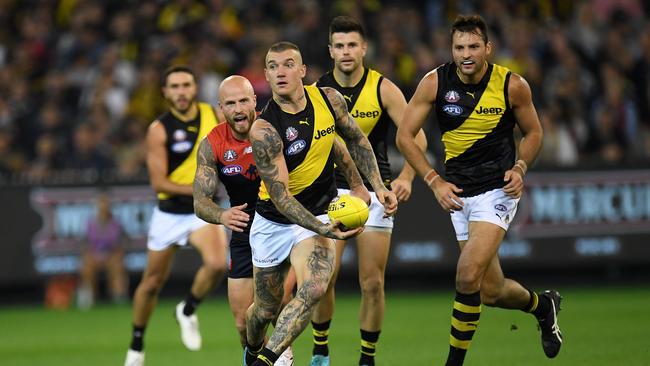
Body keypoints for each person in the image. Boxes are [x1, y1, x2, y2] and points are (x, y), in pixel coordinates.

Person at [395, 15, 563, 365]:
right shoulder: (434, 83)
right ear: (451, 49)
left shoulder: (512, 85)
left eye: (473, 46)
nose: (466, 54)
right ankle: (542, 306)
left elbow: (534, 133)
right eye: (459, 47)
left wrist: (520, 167)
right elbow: (404, 137)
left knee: (467, 272)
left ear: (488, 48)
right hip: (458, 195)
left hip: (497, 192)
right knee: (490, 290)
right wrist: (432, 180)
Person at [244, 42, 398, 366]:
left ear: (302, 71)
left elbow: (348, 141)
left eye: (288, 64)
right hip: (275, 220)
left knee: (314, 287)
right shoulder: (265, 130)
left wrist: (369, 185)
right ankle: (254, 346)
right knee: (264, 310)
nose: (281, 72)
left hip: (319, 210)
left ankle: (267, 360)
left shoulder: (328, 99)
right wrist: (323, 227)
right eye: (273, 66)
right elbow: (282, 197)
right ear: (267, 76)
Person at [310, 16, 428, 366]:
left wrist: (407, 177)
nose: (346, 52)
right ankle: (320, 350)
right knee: (324, 279)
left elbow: (416, 138)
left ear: (364, 49)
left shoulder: (384, 89)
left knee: (372, 283)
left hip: (376, 194)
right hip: (330, 195)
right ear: (331, 51)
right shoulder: (316, 92)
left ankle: (367, 358)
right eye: (339, 46)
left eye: (352, 45)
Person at [124, 65, 228, 366]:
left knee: (217, 263)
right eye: (175, 86)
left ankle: (187, 309)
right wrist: (201, 187)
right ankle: (137, 343)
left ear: (195, 88)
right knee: (152, 283)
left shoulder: (214, 115)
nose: (181, 92)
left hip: (201, 211)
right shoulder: (159, 129)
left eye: (186, 85)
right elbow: (159, 183)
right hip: (170, 214)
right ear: (165, 92)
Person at [192, 75, 296, 366]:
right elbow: (200, 202)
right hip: (243, 231)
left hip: (282, 226)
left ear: (254, 101)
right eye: (230, 103)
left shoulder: (274, 127)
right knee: (243, 323)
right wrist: (222, 215)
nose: (238, 109)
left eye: (243, 101)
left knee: (277, 305)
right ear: (220, 108)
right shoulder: (212, 143)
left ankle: (285, 357)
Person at [77, 192, 128, 309]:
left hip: (111, 255)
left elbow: (122, 243)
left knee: (117, 265)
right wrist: (90, 255)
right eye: (101, 205)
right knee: (86, 265)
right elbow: (84, 244)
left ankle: (119, 295)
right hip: (94, 255)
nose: (104, 208)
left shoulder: (116, 223)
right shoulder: (89, 223)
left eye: (106, 205)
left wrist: (115, 254)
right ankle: (88, 296)